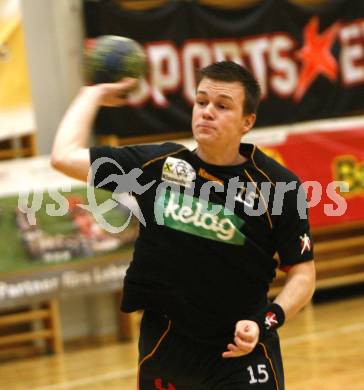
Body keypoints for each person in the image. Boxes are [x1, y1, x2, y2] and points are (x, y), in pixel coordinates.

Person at [51, 61, 315, 389]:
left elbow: (304, 275)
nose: (206, 112)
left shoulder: (277, 186)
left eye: (222, 106)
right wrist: (91, 94)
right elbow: (63, 156)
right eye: (201, 102)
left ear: (248, 122)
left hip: (242, 350)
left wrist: (266, 321)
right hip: (168, 349)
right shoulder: (156, 167)